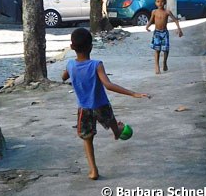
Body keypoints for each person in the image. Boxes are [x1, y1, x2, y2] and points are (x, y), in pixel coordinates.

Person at [62, 28, 150, 180]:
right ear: (91, 46)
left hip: (84, 109)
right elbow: (108, 85)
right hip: (101, 105)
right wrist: (133, 93)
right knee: (112, 121)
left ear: (72, 47)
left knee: (87, 139)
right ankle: (117, 132)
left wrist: (68, 74)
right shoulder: (96, 65)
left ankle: (93, 170)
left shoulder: (70, 65)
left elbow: (64, 77)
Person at [146, 0, 183, 74]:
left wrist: (179, 29)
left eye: (162, 2)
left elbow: (175, 20)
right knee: (157, 49)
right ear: (155, 3)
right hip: (157, 33)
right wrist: (147, 26)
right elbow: (151, 20)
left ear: (165, 2)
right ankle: (156, 65)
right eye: (158, 2)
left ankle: (164, 62)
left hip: (164, 33)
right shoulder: (154, 12)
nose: (160, 3)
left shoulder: (167, 12)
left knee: (165, 50)